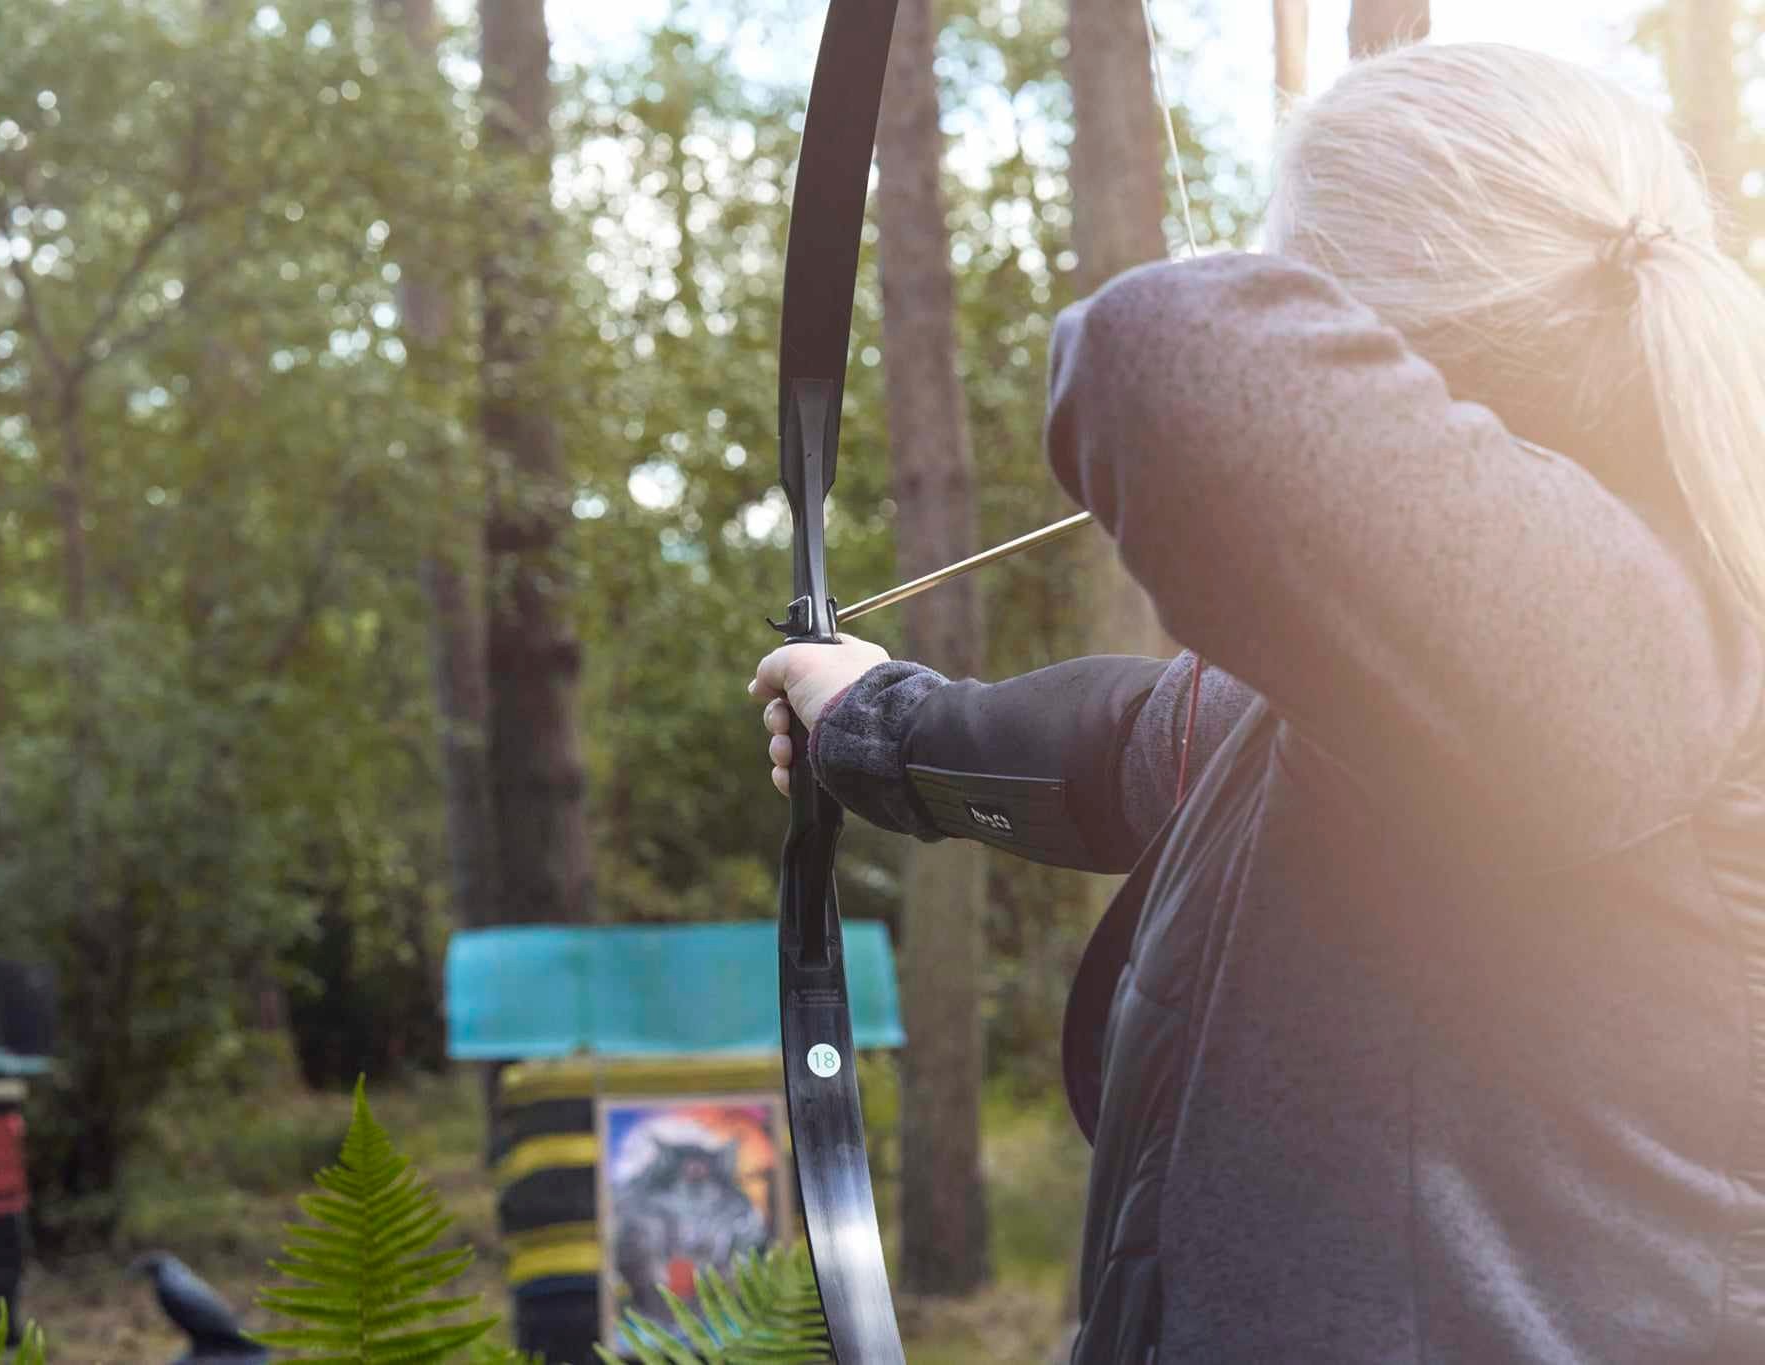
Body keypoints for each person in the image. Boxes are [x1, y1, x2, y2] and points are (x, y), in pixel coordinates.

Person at [748, 42, 1765, 1364]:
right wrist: (871, 721)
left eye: (1286, 266)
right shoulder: (1436, 711)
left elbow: (1166, 351)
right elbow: (1140, 746)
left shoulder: (1636, 656)